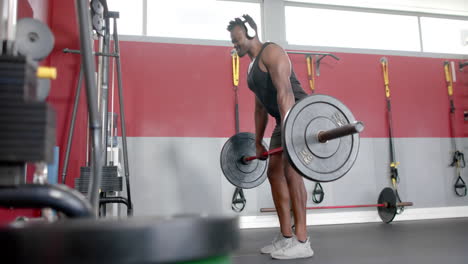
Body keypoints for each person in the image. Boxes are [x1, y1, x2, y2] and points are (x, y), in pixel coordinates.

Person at [227, 15, 314, 259]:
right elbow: (260, 107)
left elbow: (285, 92)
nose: (235, 46)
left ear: (251, 33)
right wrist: (257, 140)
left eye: (237, 40)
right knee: (273, 173)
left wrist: (288, 128)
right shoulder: (251, 69)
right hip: (281, 119)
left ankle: (302, 240)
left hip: (298, 112)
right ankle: (286, 236)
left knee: (291, 172)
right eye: (233, 42)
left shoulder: (272, 52)